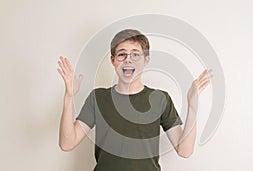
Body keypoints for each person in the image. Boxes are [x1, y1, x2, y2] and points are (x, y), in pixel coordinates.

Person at [57, 29, 211, 171]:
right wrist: (69, 97)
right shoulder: (98, 98)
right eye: (122, 54)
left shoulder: (160, 99)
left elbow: (184, 150)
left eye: (136, 54)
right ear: (113, 60)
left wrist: (192, 106)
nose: (128, 60)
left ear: (146, 60)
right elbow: (67, 143)